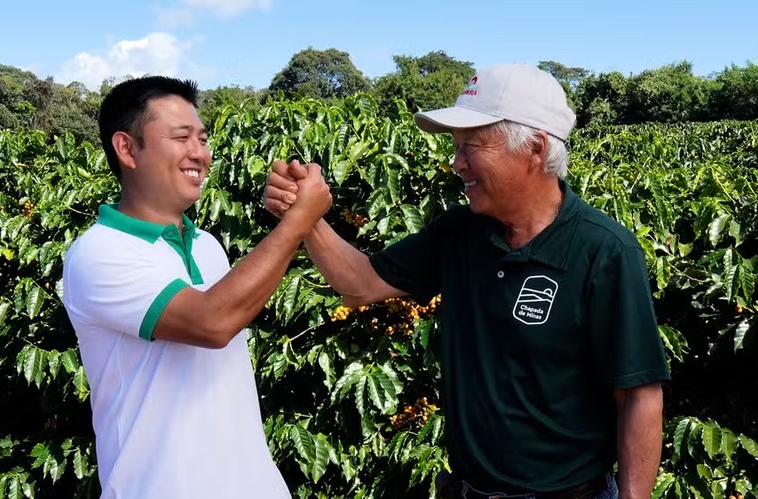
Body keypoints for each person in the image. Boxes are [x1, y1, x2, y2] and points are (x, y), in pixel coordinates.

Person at [264, 64, 670, 499]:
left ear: (535, 148)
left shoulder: (604, 251)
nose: (456, 163)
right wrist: (305, 219)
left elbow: (639, 394)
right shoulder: (459, 232)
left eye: (471, 146)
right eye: (456, 146)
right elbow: (360, 284)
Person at [62, 75, 331, 498]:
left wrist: (299, 217)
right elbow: (212, 322)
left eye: (202, 139)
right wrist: (298, 221)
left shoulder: (207, 245)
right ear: (127, 149)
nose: (200, 154)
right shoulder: (99, 252)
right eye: (181, 137)